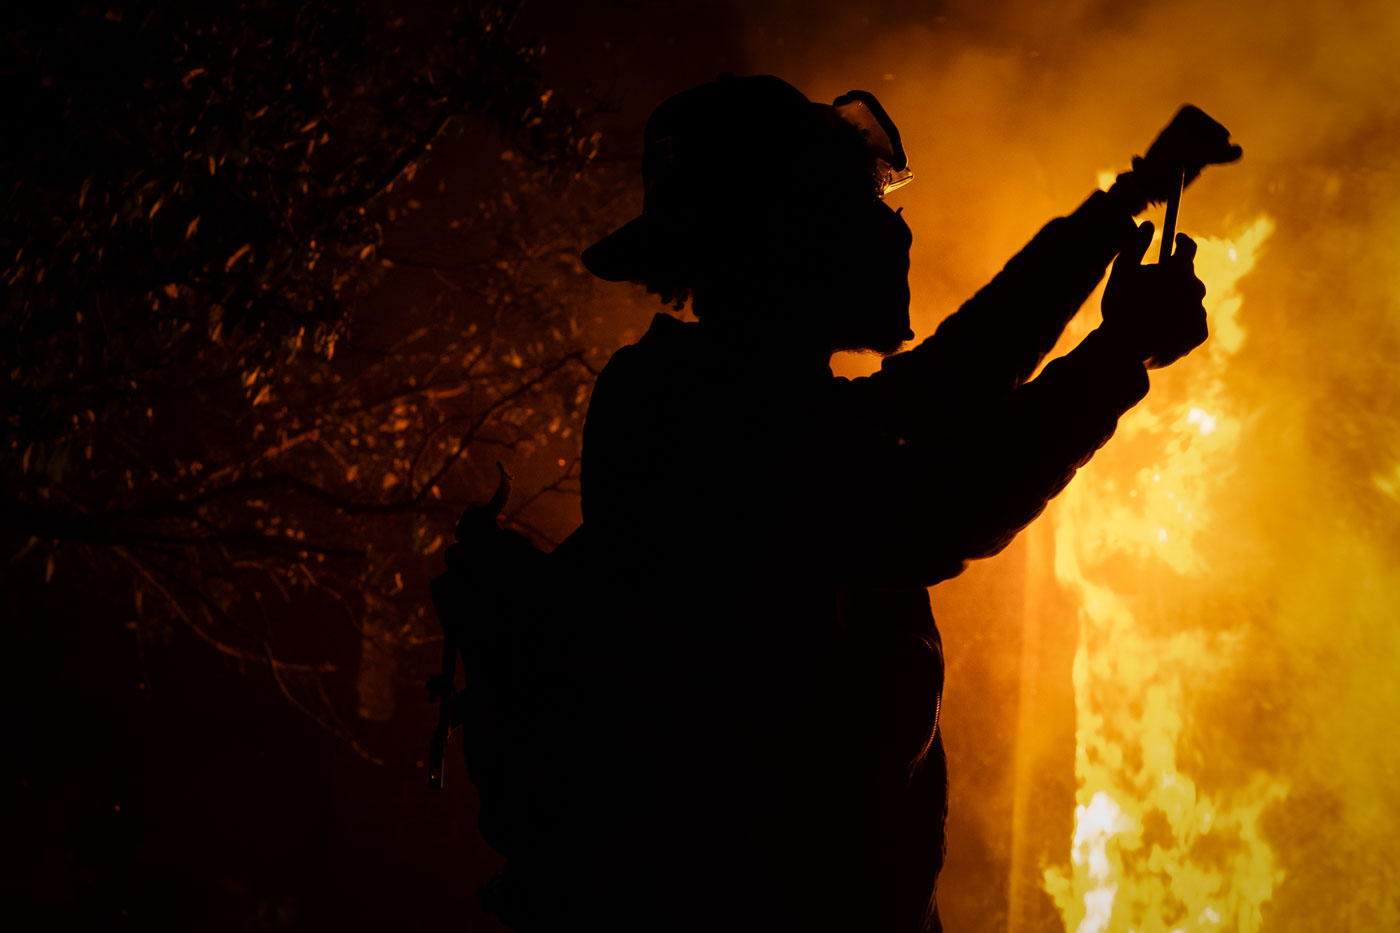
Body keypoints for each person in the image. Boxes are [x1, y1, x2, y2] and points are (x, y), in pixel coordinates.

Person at [492, 74, 1239, 932]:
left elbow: (952, 380)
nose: (891, 226)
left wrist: (1132, 198)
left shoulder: (730, 395)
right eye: (853, 202)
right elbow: (933, 510)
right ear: (779, 231)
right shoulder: (694, 413)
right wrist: (1119, 354)